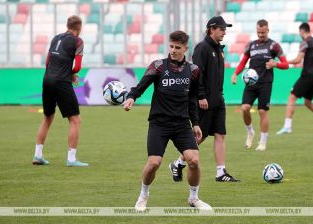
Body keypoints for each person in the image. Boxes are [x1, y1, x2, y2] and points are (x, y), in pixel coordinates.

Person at [123, 31, 211, 211]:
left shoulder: (193, 71)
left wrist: (195, 123)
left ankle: (194, 198)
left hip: (181, 124)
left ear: (186, 48)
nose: (173, 50)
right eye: (171, 46)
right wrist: (132, 97)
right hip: (159, 123)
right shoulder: (158, 66)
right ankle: (143, 195)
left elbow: (192, 99)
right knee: (154, 163)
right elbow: (141, 86)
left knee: (193, 160)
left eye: (177, 47)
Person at [169, 16, 239, 182]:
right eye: (221, 29)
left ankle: (221, 172)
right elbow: (196, 74)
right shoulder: (202, 48)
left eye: (225, 29)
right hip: (205, 99)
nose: (224, 32)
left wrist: (218, 95)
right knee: (201, 135)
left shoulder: (219, 49)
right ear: (211, 29)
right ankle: (178, 163)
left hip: (218, 99)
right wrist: (201, 95)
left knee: (220, 134)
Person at [32, 15, 88, 167]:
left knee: (47, 117)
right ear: (79, 27)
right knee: (75, 119)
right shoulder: (78, 41)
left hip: (47, 79)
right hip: (61, 82)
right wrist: (72, 75)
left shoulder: (55, 38)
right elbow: (77, 66)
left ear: (67, 25)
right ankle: (71, 159)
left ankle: (37, 155)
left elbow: (47, 61)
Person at [231, 19, 289, 151]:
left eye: (263, 32)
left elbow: (286, 65)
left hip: (265, 83)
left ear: (268, 30)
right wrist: (236, 73)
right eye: (258, 32)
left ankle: (262, 143)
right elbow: (243, 62)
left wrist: (276, 64)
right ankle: (250, 132)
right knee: (245, 108)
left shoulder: (274, 46)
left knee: (262, 111)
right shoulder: (251, 45)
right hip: (251, 83)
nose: (261, 35)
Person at [277, 23, 313, 135]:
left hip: (307, 75)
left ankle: (287, 126)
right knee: (308, 102)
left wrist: (285, 62)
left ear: (302, 31)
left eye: (299, 32)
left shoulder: (305, 42)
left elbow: (298, 59)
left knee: (292, 97)